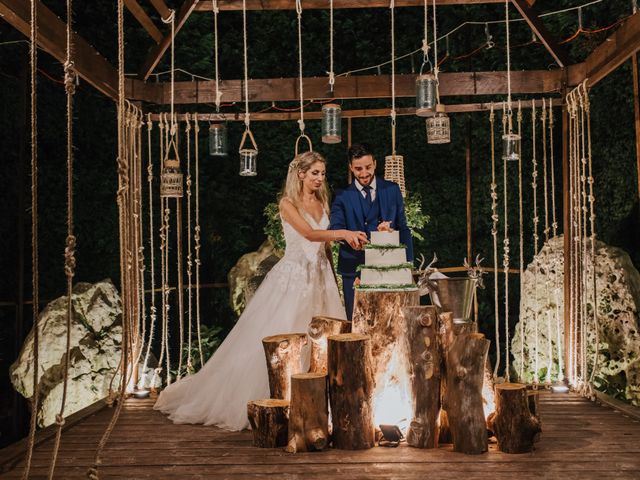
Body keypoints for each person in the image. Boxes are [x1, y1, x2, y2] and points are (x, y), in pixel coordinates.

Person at [154, 151, 367, 431]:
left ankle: (316, 404)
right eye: (314, 173)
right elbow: (309, 234)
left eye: (323, 174)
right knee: (287, 335)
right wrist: (343, 233)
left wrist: (333, 278)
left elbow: (323, 245)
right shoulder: (287, 203)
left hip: (319, 278)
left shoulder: (323, 201)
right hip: (292, 280)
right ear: (300, 174)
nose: (319, 178)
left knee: (323, 341)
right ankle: (280, 400)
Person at [329, 143, 414, 320]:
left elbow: (403, 227)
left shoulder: (392, 189)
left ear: (375, 164)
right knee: (356, 321)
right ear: (351, 168)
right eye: (358, 168)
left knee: (390, 321)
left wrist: (408, 266)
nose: (364, 173)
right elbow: (336, 229)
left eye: (368, 167)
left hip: (389, 269)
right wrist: (349, 236)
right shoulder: (341, 195)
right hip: (353, 269)